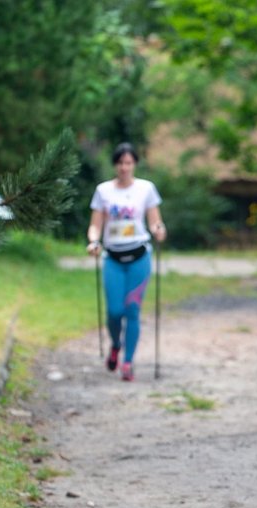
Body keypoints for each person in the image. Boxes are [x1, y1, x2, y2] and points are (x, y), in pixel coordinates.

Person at [86, 142, 166, 382]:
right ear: (115, 165)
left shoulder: (146, 189)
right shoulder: (103, 191)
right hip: (113, 256)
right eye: (120, 163)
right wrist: (93, 241)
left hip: (139, 256)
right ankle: (115, 344)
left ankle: (128, 362)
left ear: (135, 165)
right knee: (114, 311)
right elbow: (95, 225)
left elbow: (154, 221)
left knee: (132, 310)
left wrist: (159, 229)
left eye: (128, 163)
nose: (124, 167)